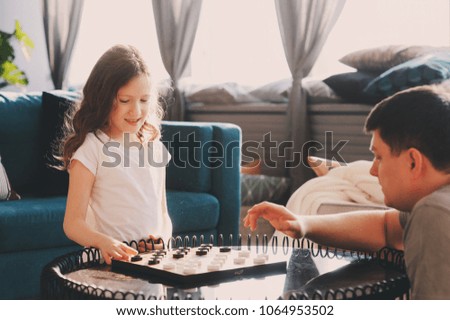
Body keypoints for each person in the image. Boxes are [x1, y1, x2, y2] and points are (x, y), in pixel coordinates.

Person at [244, 84, 450, 299]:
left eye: (379, 157)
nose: (372, 170)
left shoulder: (434, 212)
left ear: (413, 162)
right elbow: (385, 228)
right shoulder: (432, 202)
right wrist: (302, 223)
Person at [61, 45, 172, 265]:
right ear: (103, 98)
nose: (136, 111)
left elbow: (164, 216)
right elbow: (73, 224)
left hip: (149, 264)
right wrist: (104, 242)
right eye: (125, 101)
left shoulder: (154, 147)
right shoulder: (91, 148)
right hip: (105, 268)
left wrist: (162, 239)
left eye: (143, 100)